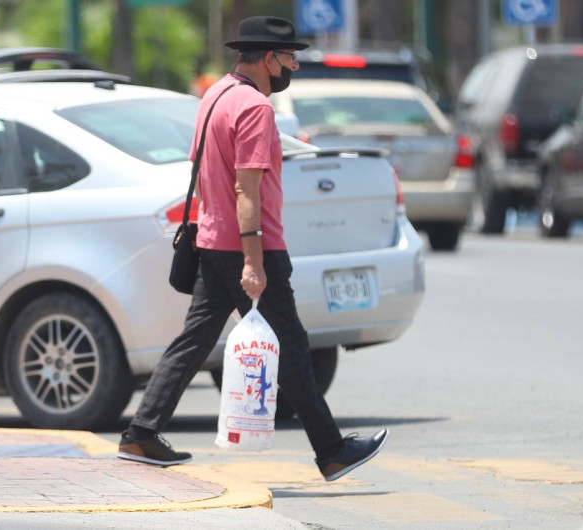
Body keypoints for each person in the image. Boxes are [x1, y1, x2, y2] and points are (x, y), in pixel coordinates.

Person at [117, 16, 387, 482]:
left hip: (211, 237)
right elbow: (248, 190)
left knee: (194, 341)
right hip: (245, 246)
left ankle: (141, 432)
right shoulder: (256, 109)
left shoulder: (216, 96)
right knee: (293, 348)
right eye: (290, 58)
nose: (294, 68)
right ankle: (332, 451)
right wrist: (254, 260)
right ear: (268, 59)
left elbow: (204, 173)